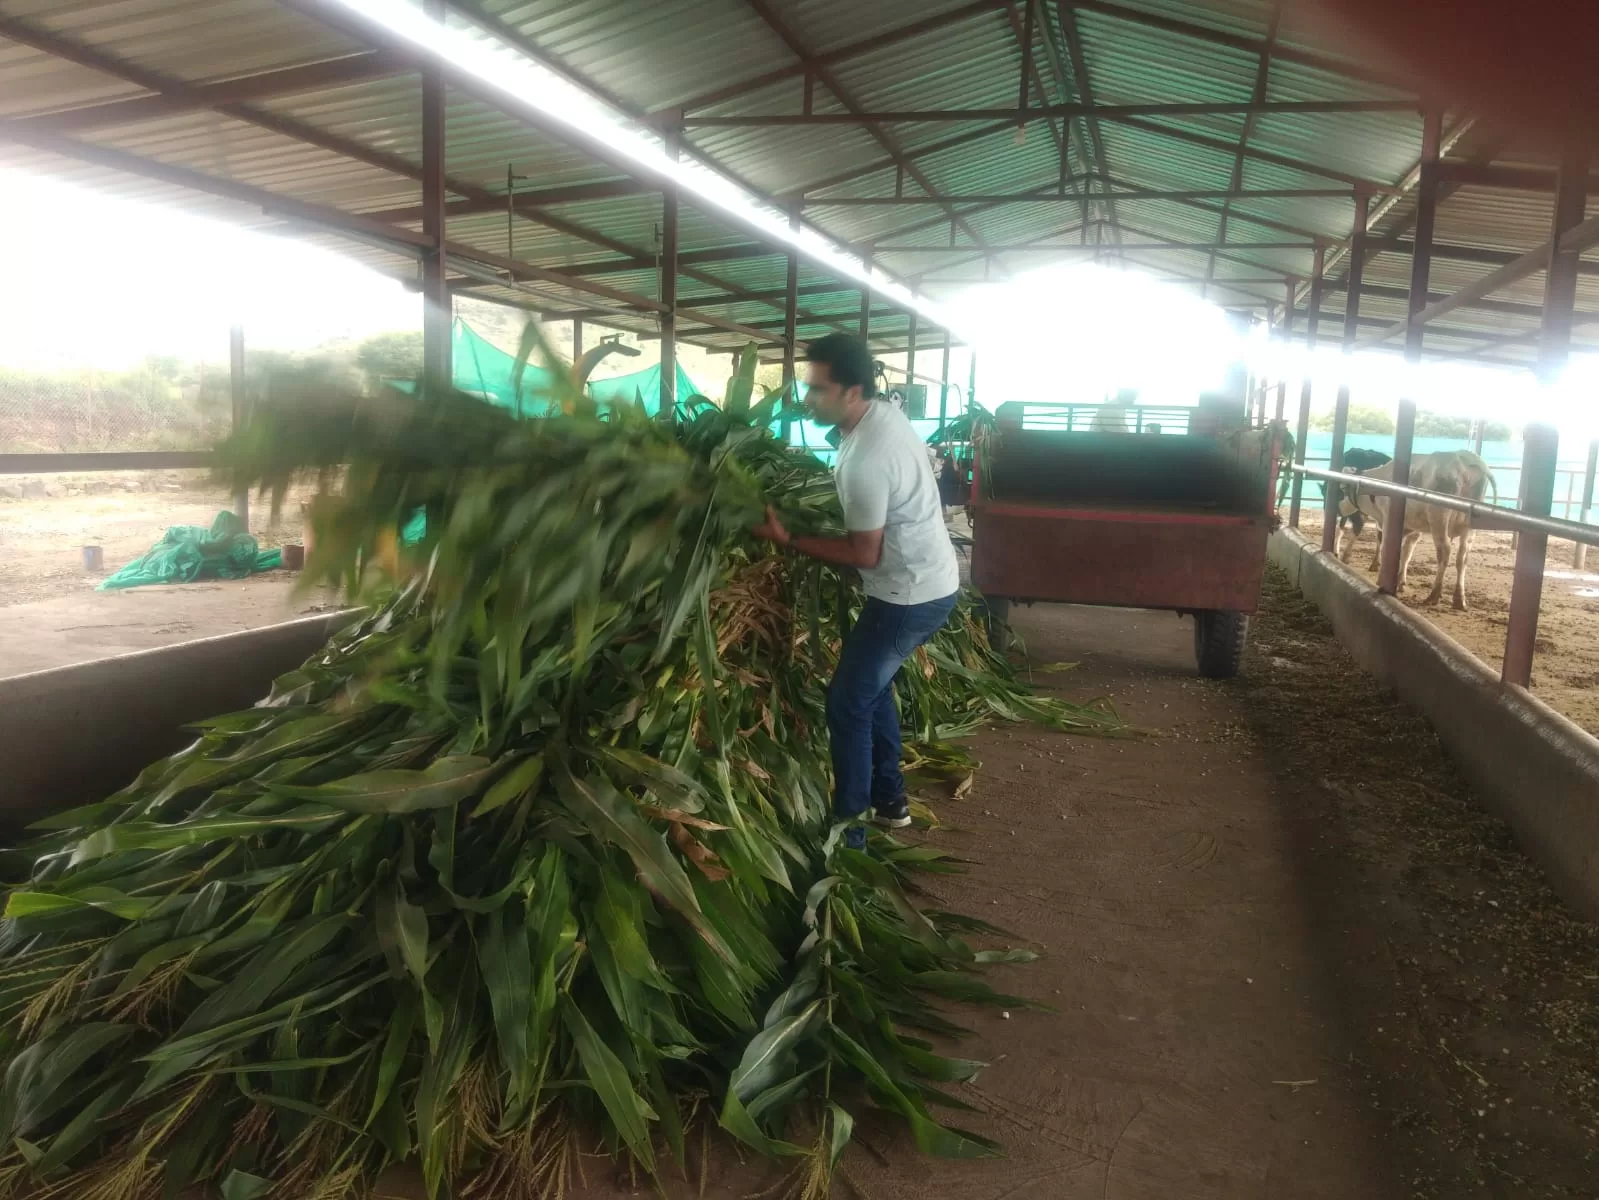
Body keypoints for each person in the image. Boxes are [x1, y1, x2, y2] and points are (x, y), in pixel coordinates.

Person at [753, 333, 960, 849]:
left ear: (852, 391)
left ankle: (850, 836)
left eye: (819, 390)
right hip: (925, 582)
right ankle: (891, 802)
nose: (808, 399)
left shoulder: (867, 457)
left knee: (847, 703)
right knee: (872, 690)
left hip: (907, 597)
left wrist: (789, 538)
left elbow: (864, 554)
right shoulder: (883, 416)